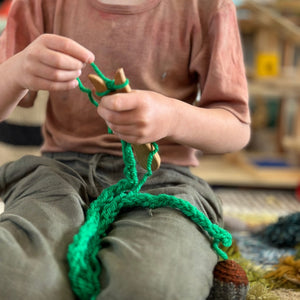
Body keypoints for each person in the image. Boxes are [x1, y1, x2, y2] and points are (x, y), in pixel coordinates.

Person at [0, 0, 250, 299]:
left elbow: (236, 127)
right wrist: (15, 72)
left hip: (164, 181)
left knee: (154, 287)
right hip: (58, 174)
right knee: (14, 276)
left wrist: (172, 117)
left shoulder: (208, 7)